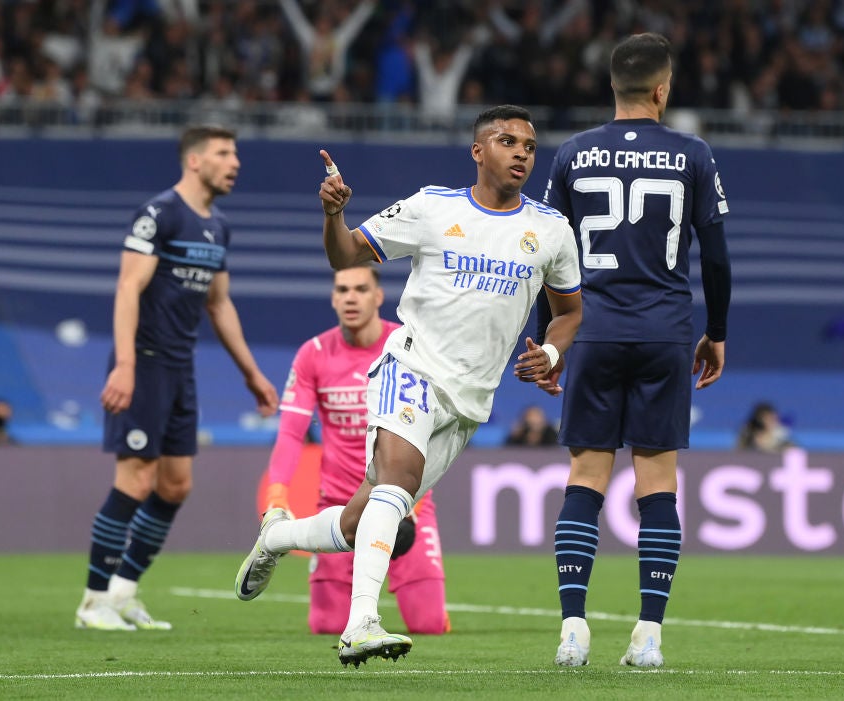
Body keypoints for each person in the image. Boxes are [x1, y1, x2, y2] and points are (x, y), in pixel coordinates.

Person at [234, 105, 583, 668]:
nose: (521, 152)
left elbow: (569, 312)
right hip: (412, 366)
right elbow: (344, 254)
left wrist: (550, 350)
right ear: (478, 151)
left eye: (529, 145)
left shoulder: (550, 229)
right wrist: (334, 216)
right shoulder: (431, 207)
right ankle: (362, 626)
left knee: (365, 518)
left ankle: (276, 538)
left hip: (470, 402)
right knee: (396, 485)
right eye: (506, 140)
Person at [540, 32, 732, 668]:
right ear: (662, 89)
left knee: (585, 479)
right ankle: (648, 634)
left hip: (591, 333)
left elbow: (549, 258)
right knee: (658, 487)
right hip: (664, 334)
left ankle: (573, 628)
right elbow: (717, 256)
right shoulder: (693, 154)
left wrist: (551, 342)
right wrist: (718, 332)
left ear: (612, 89)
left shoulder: (571, 154)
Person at [75, 125, 279, 631]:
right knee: (137, 477)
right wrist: (125, 364)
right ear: (194, 161)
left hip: (179, 365)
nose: (235, 162)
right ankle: (92, 601)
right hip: (142, 361)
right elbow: (128, 287)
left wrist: (251, 372)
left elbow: (219, 303)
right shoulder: (159, 214)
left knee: (175, 484)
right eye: (224, 153)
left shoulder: (219, 226)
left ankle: (123, 593)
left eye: (236, 153)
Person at [263, 264, 450, 636]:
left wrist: (416, 496)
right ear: (333, 298)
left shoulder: (410, 347)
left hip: (405, 501)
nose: (351, 297)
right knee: (326, 624)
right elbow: (290, 433)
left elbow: (439, 426)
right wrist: (277, 495)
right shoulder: (312, 354)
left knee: (428, 624)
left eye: (361, 289)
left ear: (378, 297)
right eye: (343, 289)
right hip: (339, 506)